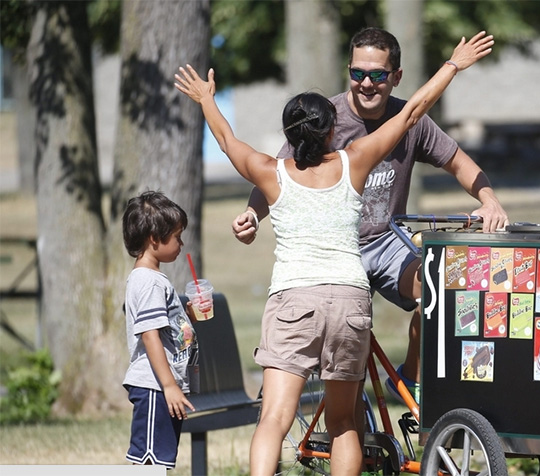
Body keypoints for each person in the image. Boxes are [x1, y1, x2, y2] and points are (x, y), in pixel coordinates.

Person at [174, 30, 493, 476]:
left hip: (293, 301)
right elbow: (414, 110)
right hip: (348, 299)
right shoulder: (354, 161)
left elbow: (227, 140)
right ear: (331, 132)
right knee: (345, 423)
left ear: (290, 133)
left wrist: (207, 99)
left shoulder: (271, 172)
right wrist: (452, 66)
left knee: (273, 419)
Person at [232, 27, 509, 403]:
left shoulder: (410, 119)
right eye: (357, 73)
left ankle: (409, 378)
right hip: (337, 253)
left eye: (377, 75)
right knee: (341, 367)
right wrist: (252, 213)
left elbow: (459, 163)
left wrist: (489, 198)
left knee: (443, 293)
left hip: (389, 243)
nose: (366, 83)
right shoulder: (324, 121)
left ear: (396, 76)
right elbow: (277, 173)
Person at [121, 190, 198, 468]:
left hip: (162, 387)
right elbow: (149, 334)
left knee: (158, 462)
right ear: (154, 239)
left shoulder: (152, 279)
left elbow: (163, 329)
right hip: (155, 387)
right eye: (177, 236)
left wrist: (187, 317)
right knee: (149, 464)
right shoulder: (149, 282)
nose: (181, 243)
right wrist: (169, 386)